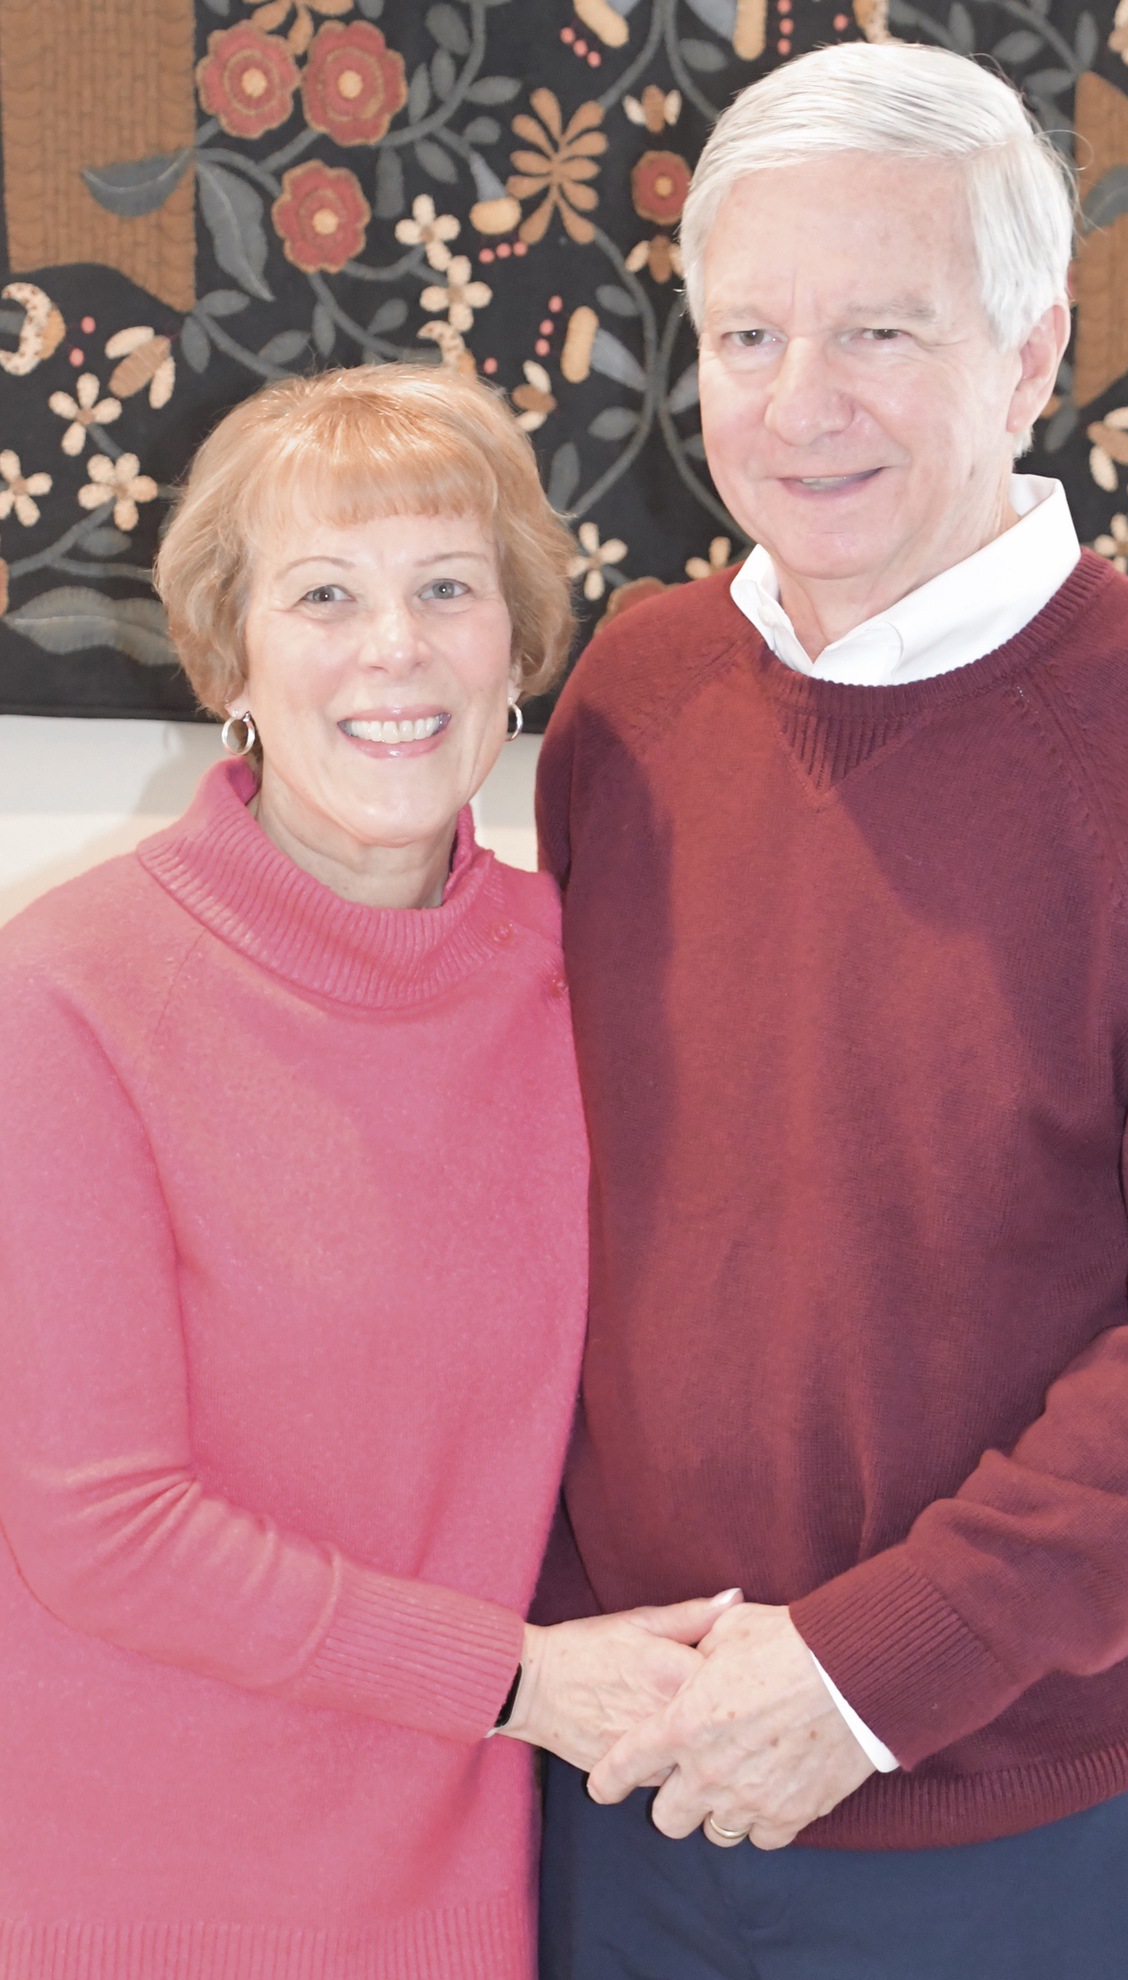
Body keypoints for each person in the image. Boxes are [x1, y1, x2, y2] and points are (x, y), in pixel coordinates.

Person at [535, 41, 1128, 1980]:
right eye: (746, 335)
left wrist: (857, 1677)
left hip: (1013, 1817)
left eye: (883, 332)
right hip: (625, 1769)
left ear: (1030, 349)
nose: (799, 406)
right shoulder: (633, 696)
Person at [0, 364, 736, 1980]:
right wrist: (525, 1680)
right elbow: (103, 1526)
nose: (393, 647)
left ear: (519, 646)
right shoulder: (71, 993)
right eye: (324, 593)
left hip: (469, 1877)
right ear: (233, 652)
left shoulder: (583, 973)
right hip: (144, 1881)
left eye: (447, 589)